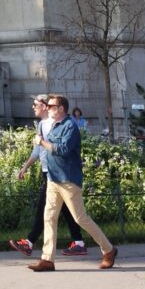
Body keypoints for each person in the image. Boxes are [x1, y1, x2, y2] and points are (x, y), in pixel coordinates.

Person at [27, 94, 118, 272]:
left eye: (51, 105)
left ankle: (108, 250)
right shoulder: (53, 125)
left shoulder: (70, 126)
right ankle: (47, 259)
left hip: (68, 179)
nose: (48, 107)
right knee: (49, 218)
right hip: (53, 179)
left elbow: (61, 150)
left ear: (61, 109)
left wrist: (41, 142)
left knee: (80, 218)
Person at [9, 95, 87, 257]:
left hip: (60, 173)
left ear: (46, 106)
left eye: (36, 104)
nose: (33, 107)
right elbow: (38, 150)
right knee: (54, 213)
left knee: (59, 213)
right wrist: (25, 167)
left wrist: (43, 144)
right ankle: (76, 244)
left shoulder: (60, 123)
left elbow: (61, 148)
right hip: (49, 172)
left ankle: (30, 243)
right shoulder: (42, 125)